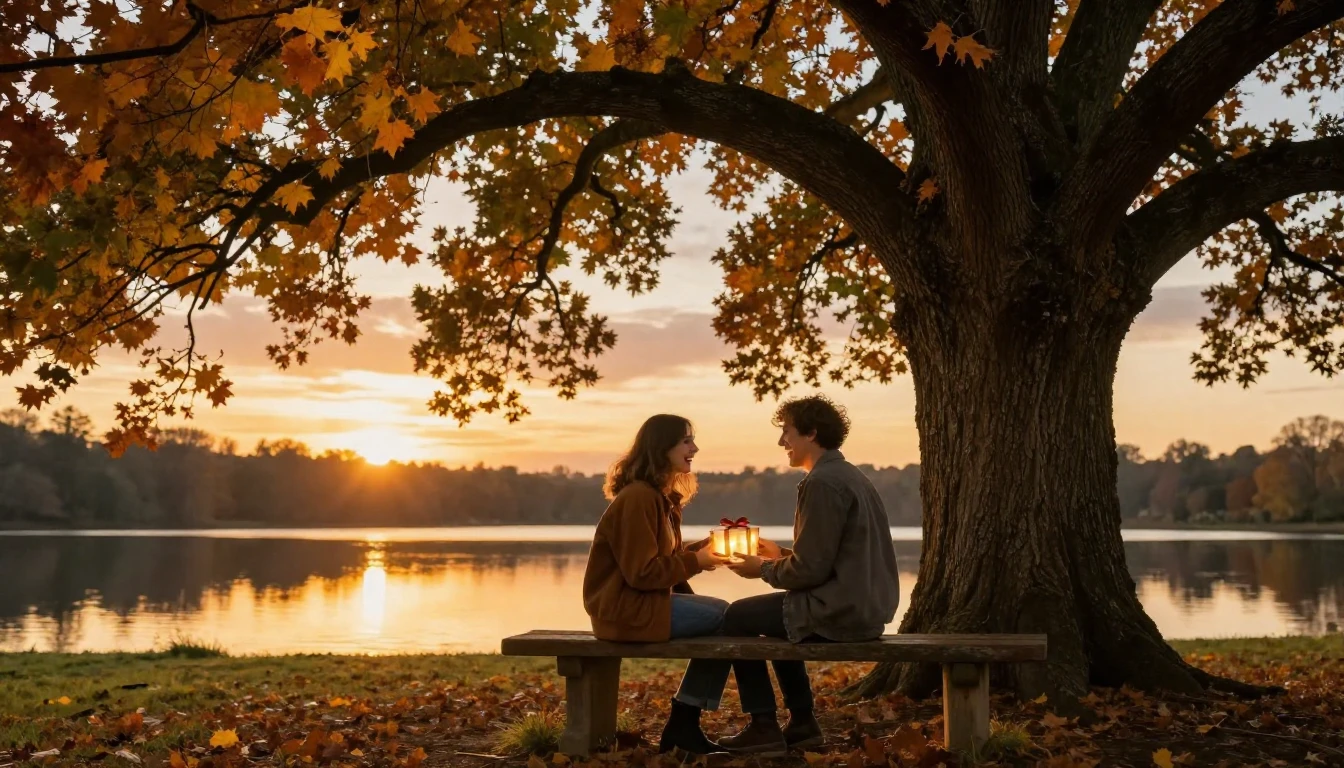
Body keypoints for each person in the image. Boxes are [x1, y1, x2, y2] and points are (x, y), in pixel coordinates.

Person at [667, 394, 900, 755]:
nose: (781, 442)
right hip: (864, 606)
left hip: (842, 611)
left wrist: (762, 568)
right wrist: (781, 555)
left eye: (787, 432)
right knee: (775, 615)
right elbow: (829, 559)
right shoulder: (849, 475)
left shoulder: (823, 483)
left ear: (811, 433)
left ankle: (763, 726)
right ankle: (803, 724)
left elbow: (810, 571)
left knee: (737, 617)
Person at [580, 414, 731, 754]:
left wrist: (701, 553)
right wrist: (696, 562)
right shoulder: (638, 498)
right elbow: (642, 574)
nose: (695, 447)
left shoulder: (660, 499)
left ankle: (686, 723)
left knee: (730, 616)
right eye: (686, 441)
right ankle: (685, 723)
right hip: (625, 612)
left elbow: (662, 560)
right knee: (731, 618)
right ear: (662, 448)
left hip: (642, 607)